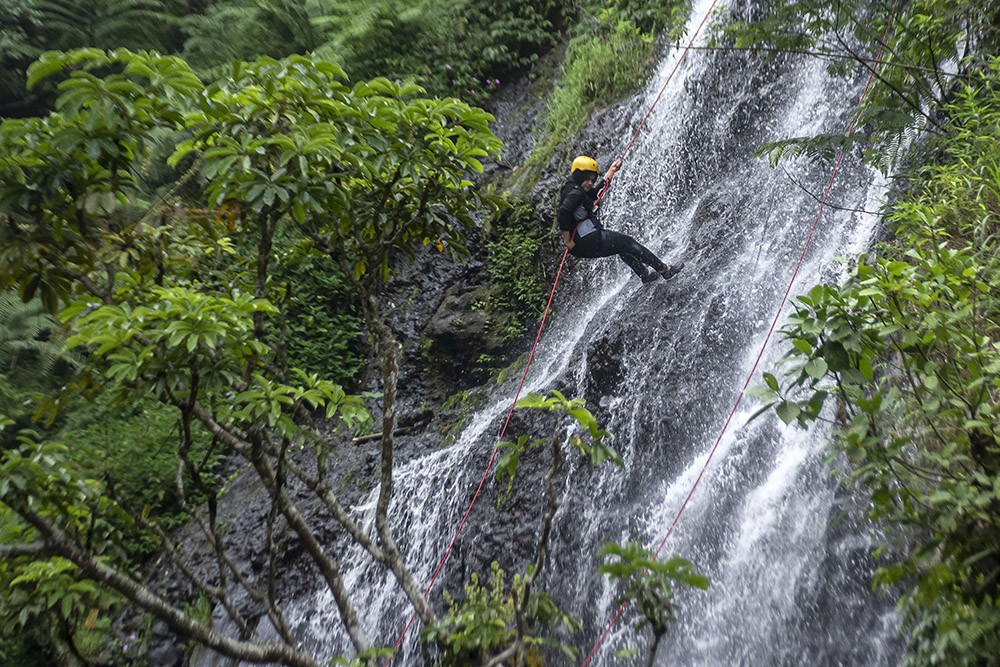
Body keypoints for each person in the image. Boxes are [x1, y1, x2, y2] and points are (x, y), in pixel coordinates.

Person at [557, 155, 682, 283]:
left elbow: (595, 193)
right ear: (579, 175)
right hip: (588, 238)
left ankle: (645, 274)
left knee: (621, 247)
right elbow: (563, 212)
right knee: (629, 243)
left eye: (592, 179)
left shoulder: (573, 188)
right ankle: (665, 270)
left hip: (581, 243)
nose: (590, 183)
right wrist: (567, 241)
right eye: (586, 179)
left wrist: (612, 170)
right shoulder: (576, 193)